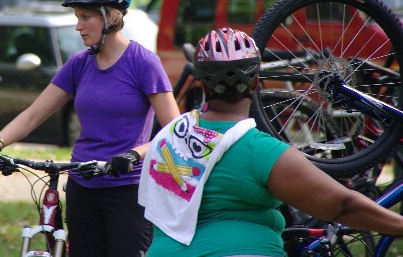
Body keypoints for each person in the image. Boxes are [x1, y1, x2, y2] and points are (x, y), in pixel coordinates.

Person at [138, 27, 403, 256]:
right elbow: (343, 206)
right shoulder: (259, 150)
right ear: (255, 82)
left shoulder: (168, 137)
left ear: (203, 84)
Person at [0, 0, 180, 257]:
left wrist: (134, 155)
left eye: (86, 17)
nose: (78, 26)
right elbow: (34, 114)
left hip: (127, 190)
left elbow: (175, 132)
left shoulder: (143, 63)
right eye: (77, 17)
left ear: (110, 17)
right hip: (82, 186)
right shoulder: (79, 64)